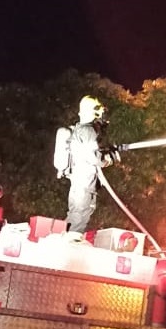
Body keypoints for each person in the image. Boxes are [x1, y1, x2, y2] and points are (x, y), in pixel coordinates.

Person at [63, 95, 115, 237]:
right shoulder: (88, 131)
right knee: (79, 217)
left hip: (81, 182)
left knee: (77, 215)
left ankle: (66, 238)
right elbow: (94, 157)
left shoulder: (80, 130)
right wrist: (108, 159)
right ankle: (70, 244)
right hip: (84, 183)